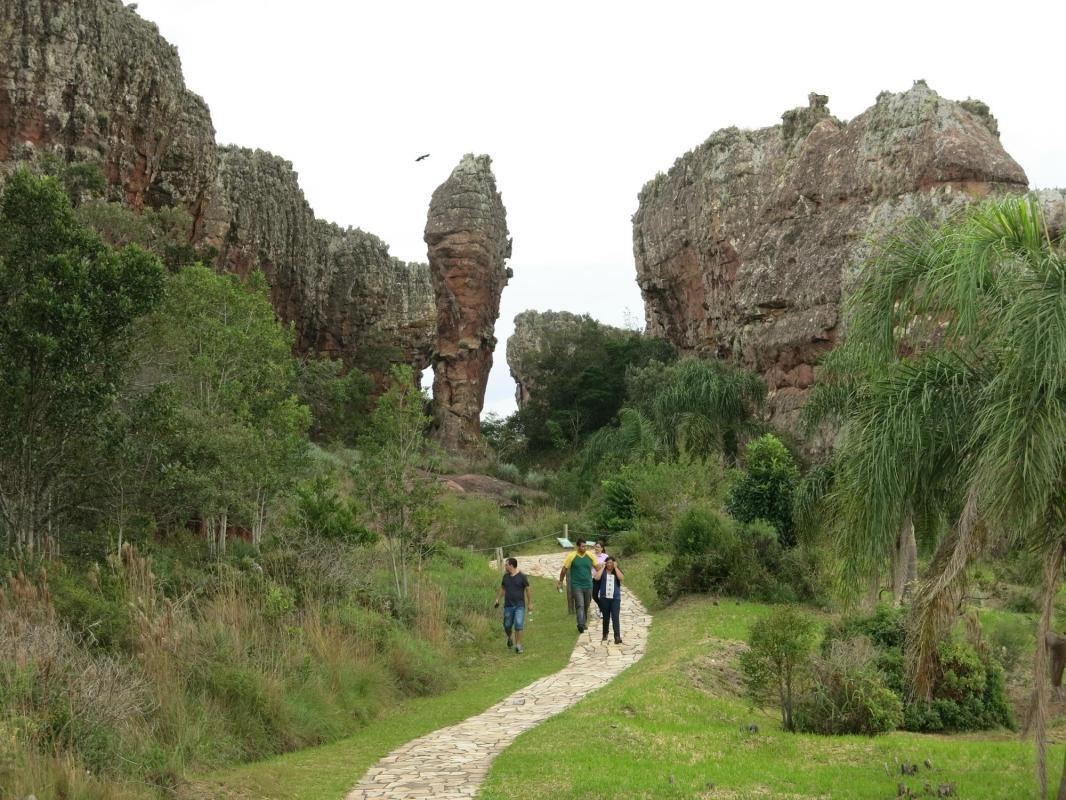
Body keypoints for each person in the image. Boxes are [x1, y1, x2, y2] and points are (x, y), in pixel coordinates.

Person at [557, 539, 597, 633]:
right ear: (578, 546)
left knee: (586, 605)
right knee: (580, 605)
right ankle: (580, 624)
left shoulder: (590, 555)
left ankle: (584, 622)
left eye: (585, 546)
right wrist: (560, 581)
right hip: (576, 585)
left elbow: (597, 567)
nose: (585, 548)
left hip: (588, 585)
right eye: (583, 546)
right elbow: (564, 569)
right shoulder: (572, 556)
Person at [494, 557, 531, 654]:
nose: (505, 566)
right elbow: (503, 589)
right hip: (508, 606)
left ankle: (518, 645)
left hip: (520, 605)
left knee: (519, 624)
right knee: (507, 625)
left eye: (506, 565)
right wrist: (498, 599)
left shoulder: (522, 576)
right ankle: (510, 638)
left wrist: (530, 603)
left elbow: (528, 589)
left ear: (511, 565)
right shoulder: (505, 577)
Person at [594, 556, 625, 644]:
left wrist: (616, 568)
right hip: (604, 598)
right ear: (605, 563)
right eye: (608, 563)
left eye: (611, 563)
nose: (609, 564)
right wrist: (602, 567)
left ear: (614, 563)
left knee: (615, 617)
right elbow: (596, 578)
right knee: (606, 617)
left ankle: (617, 636)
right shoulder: (603, 571)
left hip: (615, 598)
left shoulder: (616, 571)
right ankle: (605, 634)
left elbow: (621, 578)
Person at [591, 541, 608, 619]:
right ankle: (602, 608)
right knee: (594, 595)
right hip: (594, 578)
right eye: (596, 546)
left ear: (602, 548)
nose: (596, 548)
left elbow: (608, 566)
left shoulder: (605, 556)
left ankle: (602, 611)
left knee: (603, 595)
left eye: (598, 547)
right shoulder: (591, 556)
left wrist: (603, 565)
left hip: (603, 578)